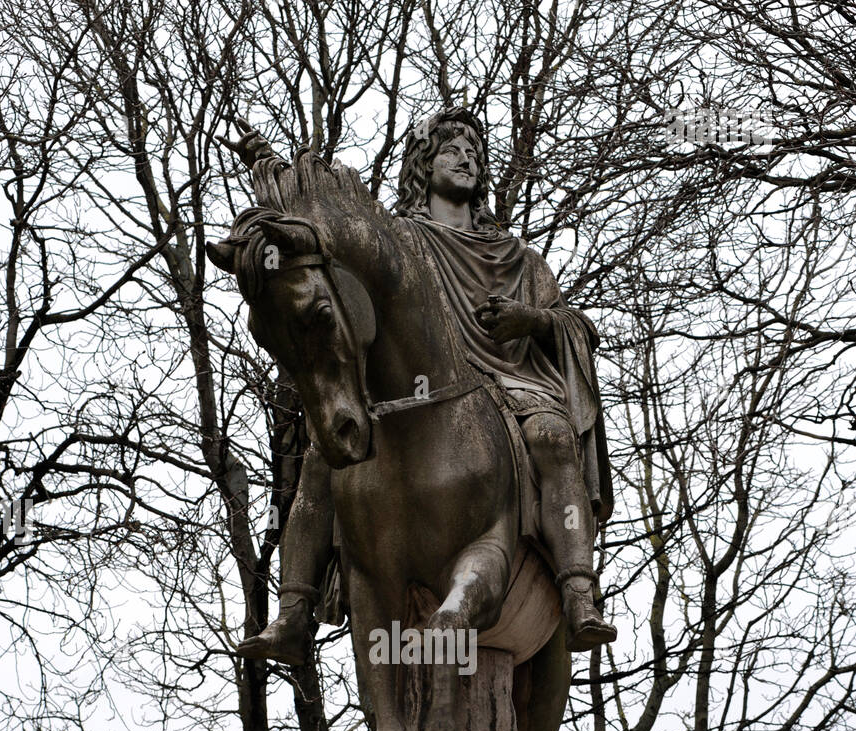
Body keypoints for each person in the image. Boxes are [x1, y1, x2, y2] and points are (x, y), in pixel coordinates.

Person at [236, 109, 616, 662]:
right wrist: (266, 165)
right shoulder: (402, 244)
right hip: (414, 396)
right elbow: (321, 238)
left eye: (475, 152)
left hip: (511, 382)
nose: (468, 158)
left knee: (554, 438)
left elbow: (579, 328)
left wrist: (530, 321)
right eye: (453, 149)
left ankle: (578, 588)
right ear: (423, 164)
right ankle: (295, 611)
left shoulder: (520, 259)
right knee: (323, 459)